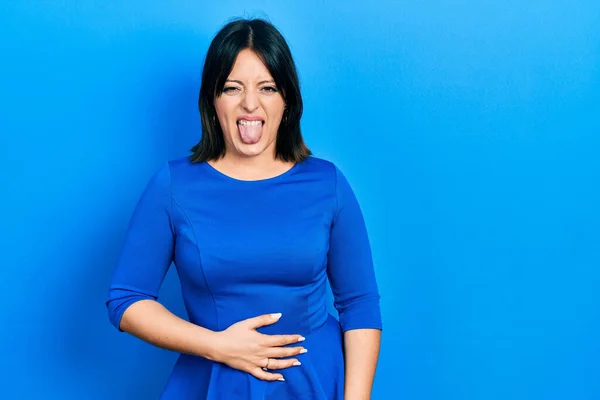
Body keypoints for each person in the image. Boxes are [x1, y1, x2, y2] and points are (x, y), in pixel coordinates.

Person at [106, 17, 382, 400]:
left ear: (286, 101)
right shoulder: (172, 186)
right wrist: (217, 345)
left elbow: (360, 303)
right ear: (212, 100)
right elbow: (126, 300)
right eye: (232, 88)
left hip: (317, 381)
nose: (250, 103)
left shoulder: (328, 183)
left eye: (267, 88)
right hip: (214, 381)